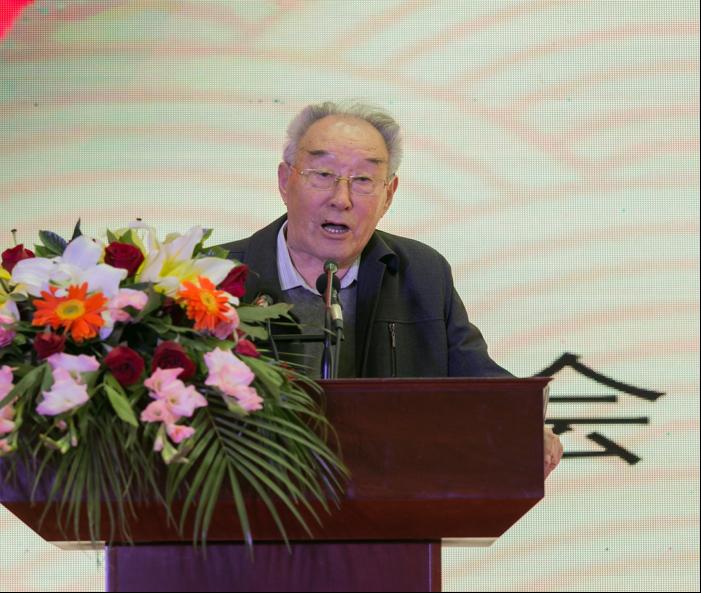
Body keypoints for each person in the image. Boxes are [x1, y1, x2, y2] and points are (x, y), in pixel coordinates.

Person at [220, 101, 563, 478]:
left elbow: (478, 382)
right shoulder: (213, 279)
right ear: (285, 180)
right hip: (248, 497)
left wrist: (523, 428)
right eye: (323, 174)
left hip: (388, 498)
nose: (341, 198)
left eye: (363, 180)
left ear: (389, 194)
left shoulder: (421, 273)